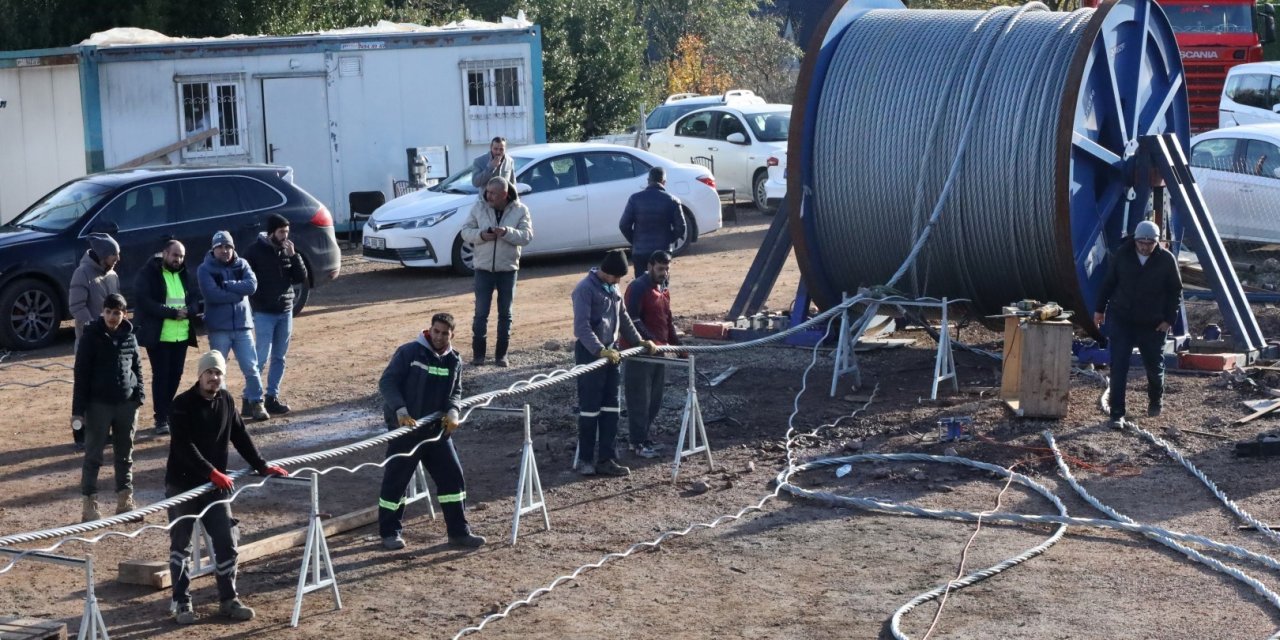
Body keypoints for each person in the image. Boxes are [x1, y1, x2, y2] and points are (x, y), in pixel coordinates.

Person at [165, 350, 288, 624]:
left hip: (215, 487)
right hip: (183, 485)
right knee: (180, 546)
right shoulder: (181, 405)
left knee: (226, 541)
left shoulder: (227, 401)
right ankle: (182, 602)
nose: (214, 378)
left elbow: (240, 435)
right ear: (200, 375)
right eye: (209, 373)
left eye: (218, 373)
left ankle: (228, 599)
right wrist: (211, 472)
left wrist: (261, 464)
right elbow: (184, 446)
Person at [376, 312, 485, 550]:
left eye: (444, 333)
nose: (439, 336)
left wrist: (454, 411)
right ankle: (389, 532)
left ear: (451, 335)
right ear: (430, 329)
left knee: (452, 479)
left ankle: (459, 532)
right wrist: (400, 410)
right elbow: (387, 382)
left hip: (436, 431)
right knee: (396, 482)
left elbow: (455, 391)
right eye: (436, 331)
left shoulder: (454, 360)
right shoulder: (409, 352)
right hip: (405, 431)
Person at [571, 250, 657, 477]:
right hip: (591, 353)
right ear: (607, 272)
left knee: (611, 408)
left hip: (612, 353)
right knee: (590, 409)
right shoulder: (584, 289)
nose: (619, 282)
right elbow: (582, 328)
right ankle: (586, 459)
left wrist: (639, 340)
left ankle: (606, 458)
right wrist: (599, 350)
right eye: (617, 277)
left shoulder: (614, 289)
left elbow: (624, 317)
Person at [1094, 220, 1183, 429]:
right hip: (1123, 319)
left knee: (1153, 365)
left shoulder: (1167, 260)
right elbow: (1108, 283)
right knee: (1119, 366)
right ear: (1135, 240)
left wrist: (1169, 319)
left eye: (1149, 243)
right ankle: (1117, 413)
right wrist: (1099, 310)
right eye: (1141, 242)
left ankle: (1155, 399)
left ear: (1156, 242)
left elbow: (1175, 291)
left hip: (1152, 323)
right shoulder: (1122, 256)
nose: (1144, 247)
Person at [71, 293, 144, 522]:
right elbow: (81, 375)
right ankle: (89, 506)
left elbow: (137, 367)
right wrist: (78, 412)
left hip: (126, 404)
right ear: (102, 311)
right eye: (109, 312)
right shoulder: (90, 337)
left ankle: (125, 501)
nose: (112, 317)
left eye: (117, 312)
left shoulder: (129, 337)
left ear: (124, 314)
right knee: (93, 455)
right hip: (97, 406)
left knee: (125, 454)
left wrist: (138, 396)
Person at [458, 177, 533, 367]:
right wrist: (481, 235)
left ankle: (501, 355)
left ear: (504, 195)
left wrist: (507, 232)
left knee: (505, 314)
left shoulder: (520, 210)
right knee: (480, 313)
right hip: (483, 269)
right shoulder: (479, 207)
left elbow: (527, 236)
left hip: (507, 270)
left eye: (493, 193)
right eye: (487, 192)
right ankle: (479, 356)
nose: (488, 196)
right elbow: (465, 231)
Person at [197, 231, 269, 421]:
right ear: (213, 249)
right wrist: (239, 293)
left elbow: (252, 286)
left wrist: (228, 285)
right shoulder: (205, 269)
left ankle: (256, 402)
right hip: (219, 328)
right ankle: (224, 408)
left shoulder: (242, 264)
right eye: (220, 247)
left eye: (228, 246)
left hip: (243, 326)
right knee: (218, 370)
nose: (225, 250)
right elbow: (212, 295)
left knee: (251, 367)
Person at [242, 213, 307, 416]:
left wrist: (294, 257)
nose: (285, 235)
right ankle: (251, 398)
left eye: (286, 231)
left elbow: (301, 278)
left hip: (285, 311)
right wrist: (256, 302)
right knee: (261, 358)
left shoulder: (288, 251)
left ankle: (272, 397)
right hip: (264, 312)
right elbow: (247, 279)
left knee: (280, 357)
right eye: (281, 232)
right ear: (271, 232)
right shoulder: (254, 251)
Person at [133, 240, 200, 436]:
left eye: (181, 256)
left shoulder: (185, 273)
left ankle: (167, 410)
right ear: (164, 253)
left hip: (181, 335)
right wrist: (171, 313)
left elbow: (195, 298)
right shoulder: (148, 273)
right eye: (174, 255)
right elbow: (143, 301)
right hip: (159, 336)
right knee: (161, 376)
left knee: (176, 375)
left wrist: (191, 310)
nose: (178, 259)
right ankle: (161, 417)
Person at [621, 251, 681, 459]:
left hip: (659, 353)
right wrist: (650, 342)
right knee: (639, 400)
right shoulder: (638, 288)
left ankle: (643, 437)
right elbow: (632, 319)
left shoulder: (663, 288)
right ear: (650, 267)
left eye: (667, 269)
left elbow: (667, 320)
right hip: (640, 354)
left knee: (654, 401)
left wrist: (678, 346)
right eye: (660, 269)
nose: (664, 273)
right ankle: (636, 442)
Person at [619, 167, 686, 278]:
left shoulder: (634, 199)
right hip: (663, 251)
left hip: (640, 251)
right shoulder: (672, 200)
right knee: (661, 288)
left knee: (642, 287)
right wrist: (669, 239)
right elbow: (681, 227)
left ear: (648, 180)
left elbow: (623, 225)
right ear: (664, 182)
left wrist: (635, 241)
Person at [69, 233, 122, 351]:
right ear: (103, 255)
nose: (118, 258)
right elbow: (76, 307)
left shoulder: (113, 275)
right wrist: (95, 328)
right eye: (114, 254)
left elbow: (119, 305)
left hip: (111, 340)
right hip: (89, 343)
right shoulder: (82, 273)